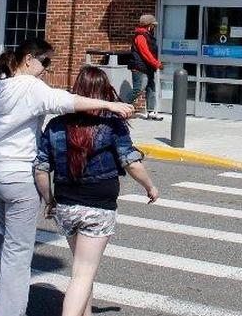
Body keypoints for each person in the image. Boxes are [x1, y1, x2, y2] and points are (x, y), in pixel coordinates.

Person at [0, 39, 134, 316]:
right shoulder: (31, 87)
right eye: (45, 62)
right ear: (29, 59)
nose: (46, 68)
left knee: (12, 242)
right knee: (18, 252)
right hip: (19, 177)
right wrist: (111, 105)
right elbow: (68, 102)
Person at [34, 65, 159, 316]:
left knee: (82, 270)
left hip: (66, 205)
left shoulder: (56, 125)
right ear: (104, 92)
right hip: (98, 207)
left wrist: (49, 200)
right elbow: (131, 162)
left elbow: (41, 169)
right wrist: (150, 186)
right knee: (83, 274)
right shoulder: (111, 123)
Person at [127, 14, 163, 120]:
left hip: (148, 67)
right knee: (138, 89)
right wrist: (156, 64)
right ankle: (121, 107)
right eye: (153, 25)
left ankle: (151, 112)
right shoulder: (140, 36)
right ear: (149, 25)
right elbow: (145, 53)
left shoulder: (148, 36)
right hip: (140, 67)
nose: (154, 27)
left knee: (151, 88)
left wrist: (154, 63)